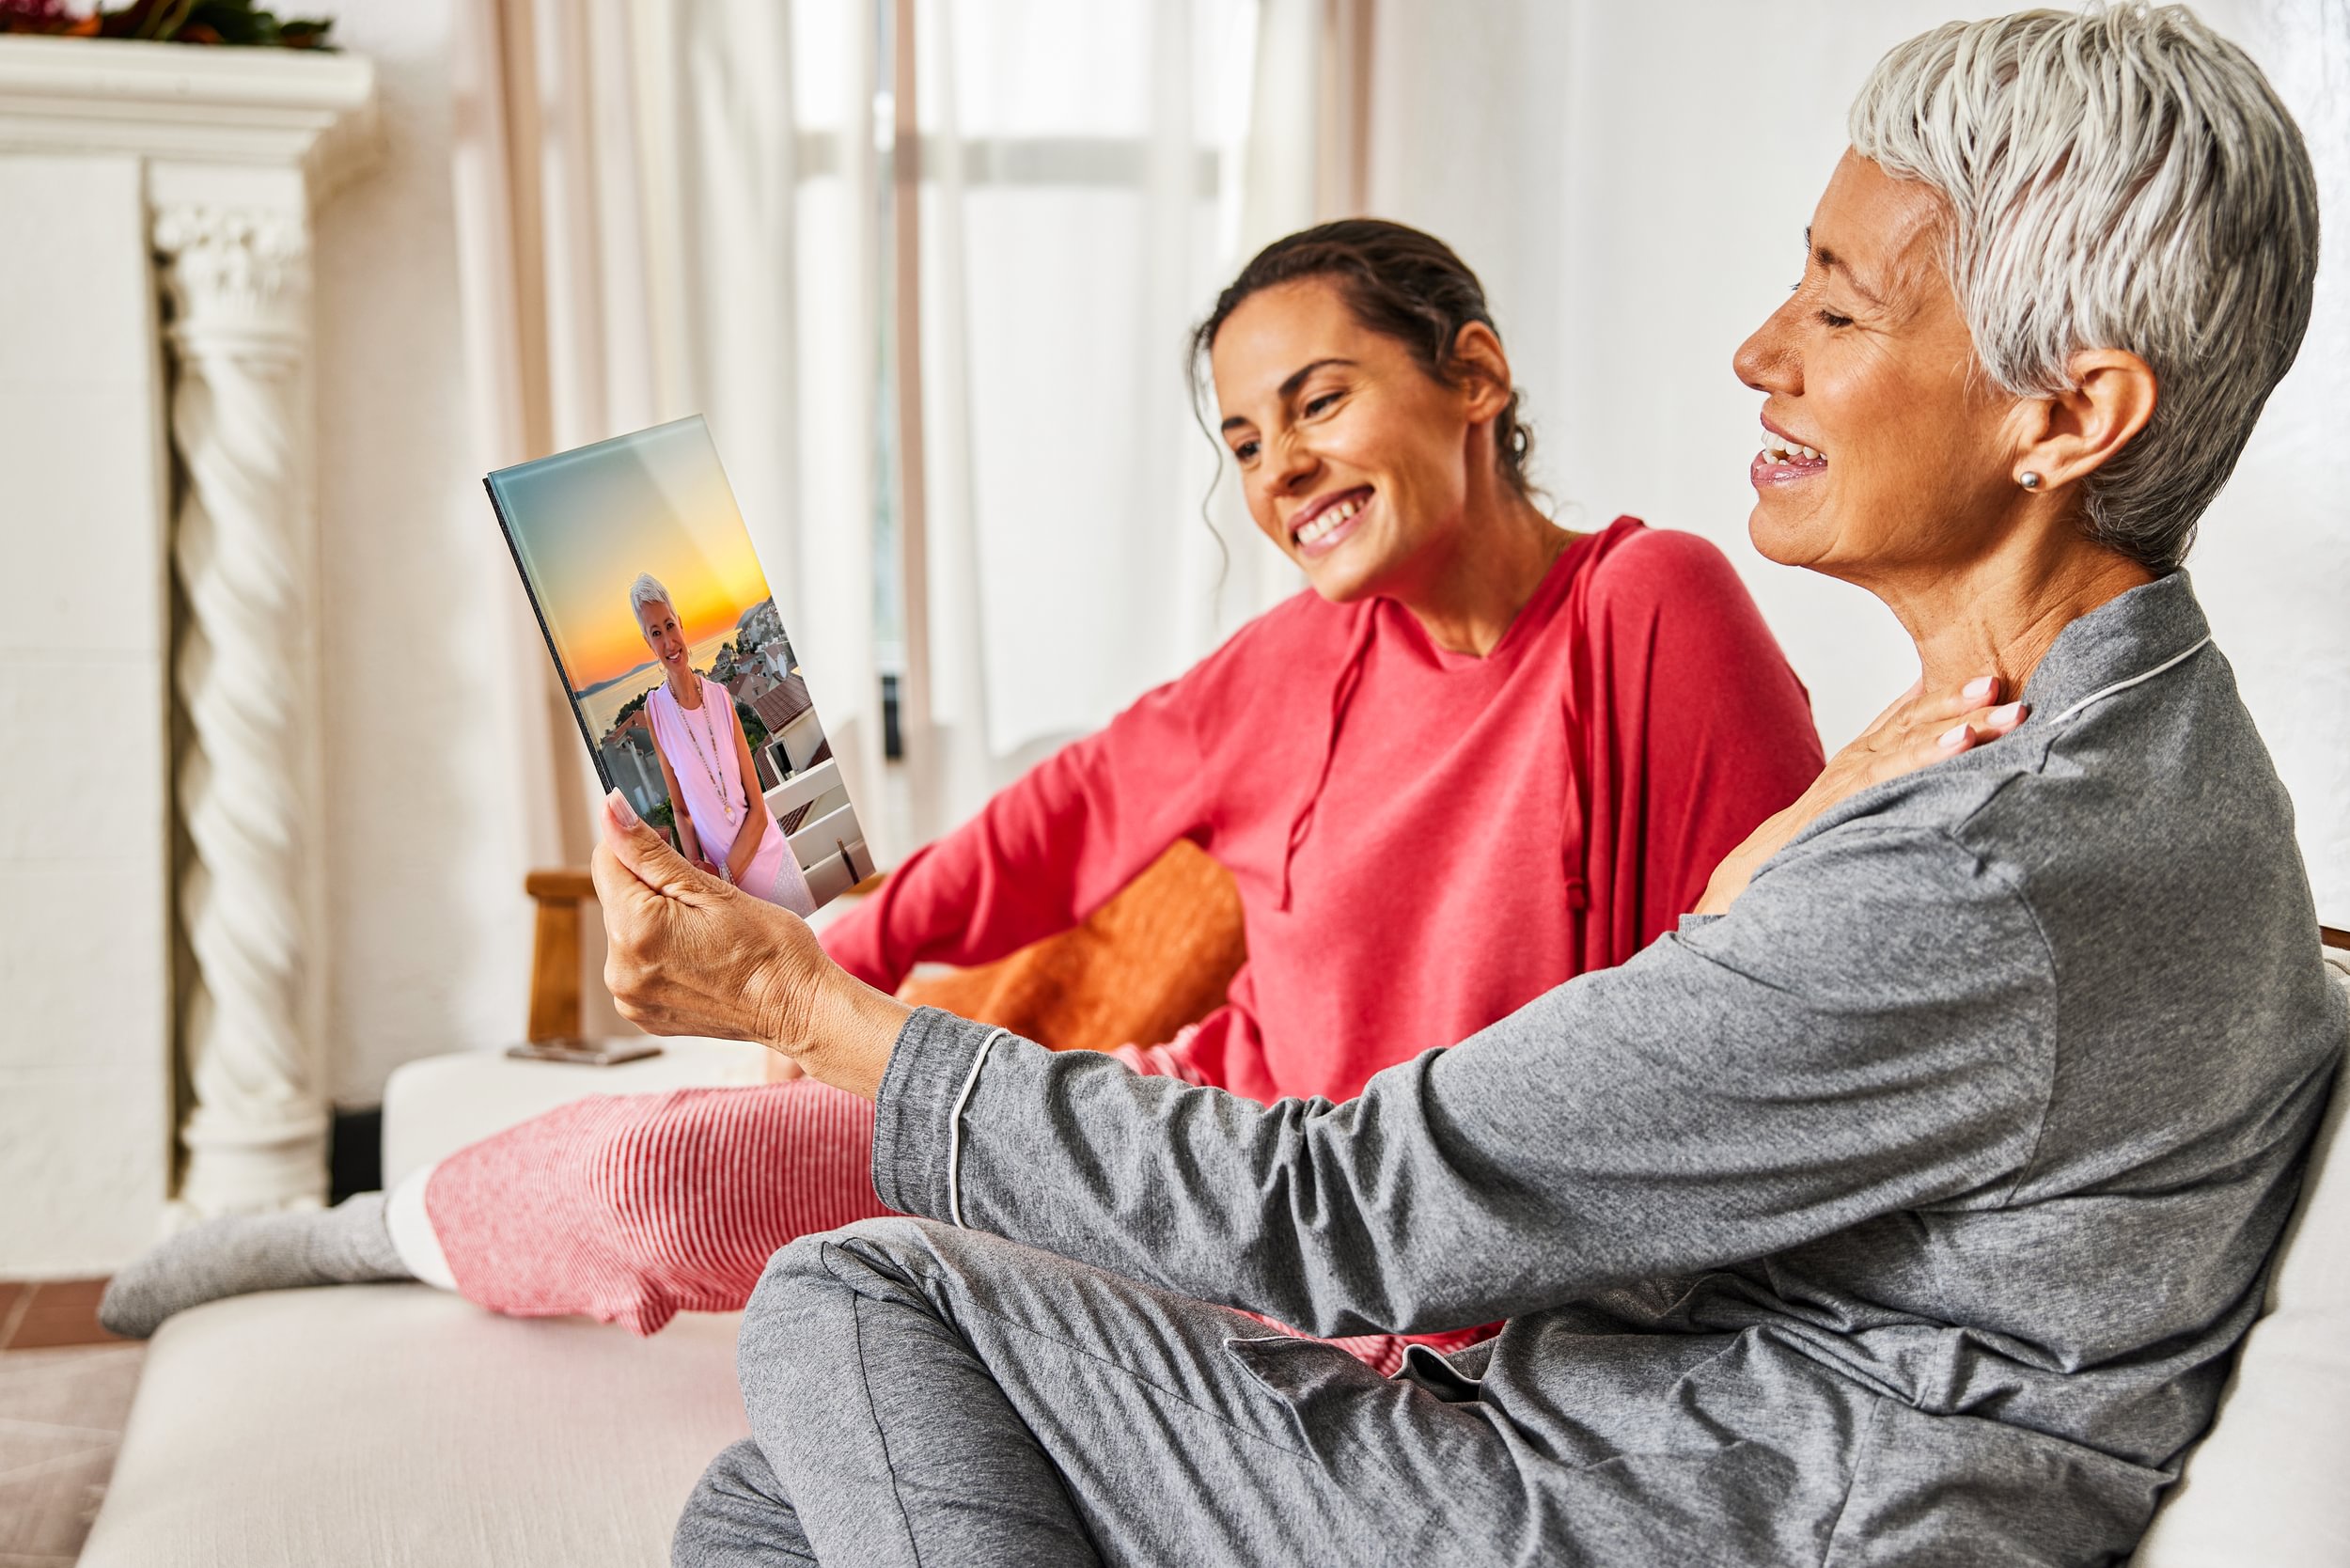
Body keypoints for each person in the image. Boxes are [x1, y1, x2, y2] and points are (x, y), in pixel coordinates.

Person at [592, 8, 2343, 1565]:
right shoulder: (2107, 755)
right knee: (769, 1502)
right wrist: (1771, 874)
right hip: (1618, 1409)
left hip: (1678, 1497)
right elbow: (1061, 834)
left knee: (861, 1290)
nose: (1759, 351)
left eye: (1835, 305)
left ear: (2070, 416)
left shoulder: (1974, 839)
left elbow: (1356, 1208)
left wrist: (808, 1008)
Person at [99, 223, 1843, 1366]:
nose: (1284, 464)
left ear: (1474, 376)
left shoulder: (1647, 607)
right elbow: (1058, 822)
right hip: (1168, 1151)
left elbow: (1767, 996)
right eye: (1243, 441)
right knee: (678, 1175)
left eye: (1320, 399)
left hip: (1394, 1251)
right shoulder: (1291, 662)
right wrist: (820, 944)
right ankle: (359, 1233)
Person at [628, 573, 818, 917]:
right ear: (648, 642)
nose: (669, 642)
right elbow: (681, 811)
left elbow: (758, 810)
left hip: (771, 864)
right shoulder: (654, 712)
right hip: (729, 896)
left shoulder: (721, 698)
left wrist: (723, 877)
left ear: (681, 624)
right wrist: (700, 880)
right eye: (656, 633)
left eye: (670, 626)